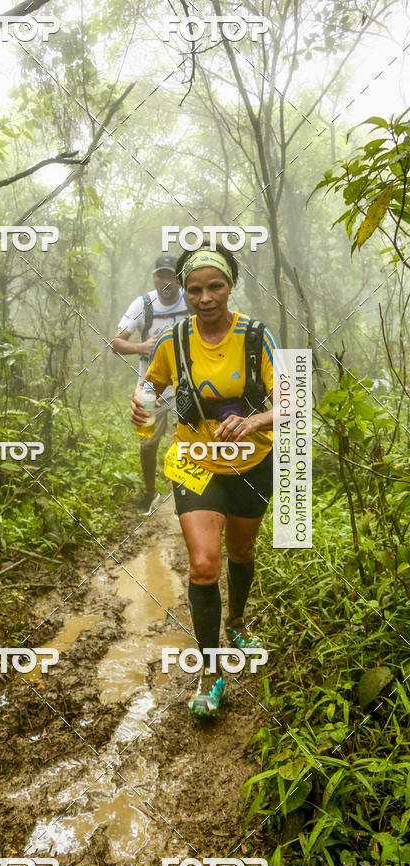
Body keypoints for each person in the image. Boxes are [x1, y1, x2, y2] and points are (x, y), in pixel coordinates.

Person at [130, 242, 280, 718]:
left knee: (241, 552)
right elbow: (150, 385)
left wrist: (256, 422)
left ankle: (236, 619)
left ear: (230, 286)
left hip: (251, 463)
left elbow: (293, 402)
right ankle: (210, 672)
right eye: (195, 289)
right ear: (185, 292)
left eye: (215, 286)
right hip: (194, 461)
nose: (205, 297)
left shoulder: (256, 337)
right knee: (202, 564)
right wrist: (141, 403)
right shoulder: (172, 342)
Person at [112, 254, 190, 516]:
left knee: (187, 440)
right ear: (155, 277)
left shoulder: (191, 301)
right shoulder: (143, 304)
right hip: (149, 386)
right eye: (162, 276)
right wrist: (141, 347)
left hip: (186, 386)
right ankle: (150, 492)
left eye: (171, 276)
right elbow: (117, 343)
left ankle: (185, 494)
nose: (166, 281)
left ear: (178, 278)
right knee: (147, 443)